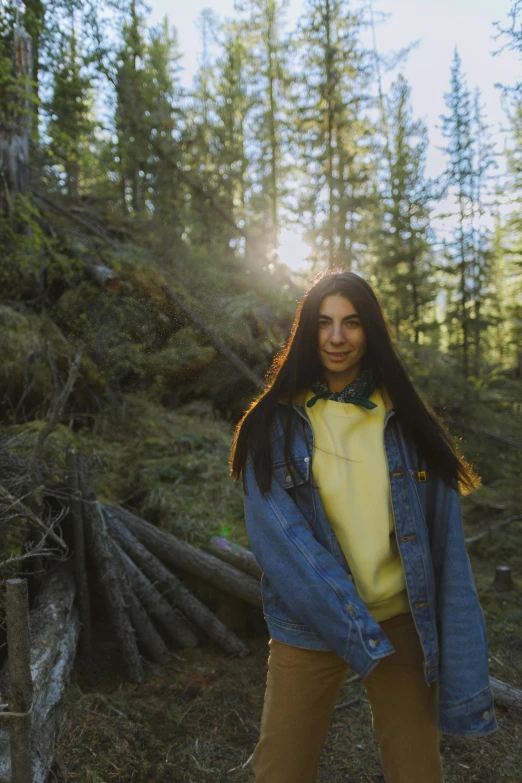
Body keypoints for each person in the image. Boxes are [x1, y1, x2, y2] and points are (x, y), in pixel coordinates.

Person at [229, 271, 498, 783]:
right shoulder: (273, 425)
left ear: (370, 330)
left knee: (417, 771)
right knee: (279, 772)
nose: (336, 337)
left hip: (401, 619)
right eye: (324, 323)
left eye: (351, 323)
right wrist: (350, 621)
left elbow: (447, 548)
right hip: (309, 621)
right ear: (306, 332)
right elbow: (279, 540)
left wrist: (459, 645)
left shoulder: (408, 422)